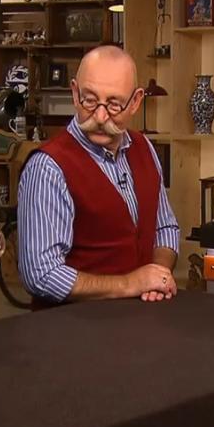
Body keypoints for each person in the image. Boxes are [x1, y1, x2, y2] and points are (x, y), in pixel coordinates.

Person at [17, 46, 180, 306]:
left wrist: (157, 276)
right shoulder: (48, 168)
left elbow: (165, 228)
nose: (101, 116)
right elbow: (41, 275)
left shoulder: (144, 148)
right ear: (74, 92)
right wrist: (131, 283)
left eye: (115, 104)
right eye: (90, 100)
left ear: (136, 102)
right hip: (76, 331)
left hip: (140, 326)